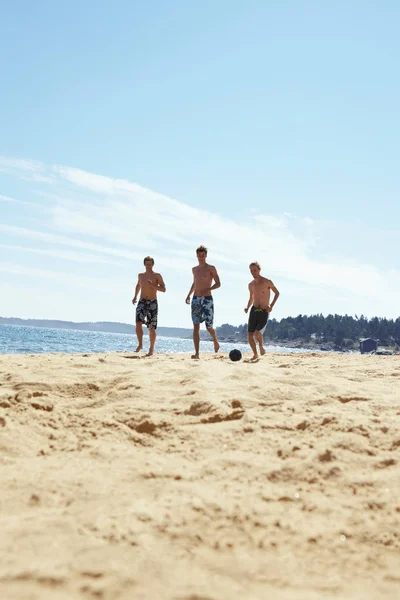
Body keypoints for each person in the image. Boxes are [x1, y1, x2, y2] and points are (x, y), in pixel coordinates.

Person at [185, 245, 221, 359]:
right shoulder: (194, 269)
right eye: (199, 255)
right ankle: (197, 353)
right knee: (195, 326)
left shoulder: (211, 268)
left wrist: (209, 289)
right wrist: (188, 295)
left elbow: (218, 283)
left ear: (206, 256)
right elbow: (194, 283)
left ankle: (215, 340)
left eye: (203, 255)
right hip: (195, 299)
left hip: (207, 299)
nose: (201, 257)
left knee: (209, 327)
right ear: (196, 256)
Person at [244, 262, 280, 360]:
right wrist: (247, 307)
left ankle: (260, 346)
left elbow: (277, 293)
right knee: (250, 335)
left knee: (257, 333)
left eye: (255, 270)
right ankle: (255, 354)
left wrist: (271, 306)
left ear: (259, 270)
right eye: (251, 270)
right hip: (254, 310)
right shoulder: (250, 285)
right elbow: (251, 298)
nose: (253, 272)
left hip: (264, 311)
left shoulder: (267, 282)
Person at [132, 256, 166, 356]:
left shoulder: (157, 275)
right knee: (138, 321)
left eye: (150, 264)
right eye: (147, 264)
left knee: (151, 327)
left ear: (152, 264)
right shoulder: (141, 276)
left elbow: (163, 289)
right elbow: (138, 285)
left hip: (153, 302)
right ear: (144, 264)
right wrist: (135, 297)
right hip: (142, 301)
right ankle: (140, 344)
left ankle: (151, 348)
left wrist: (153, 286)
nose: (148, 266)